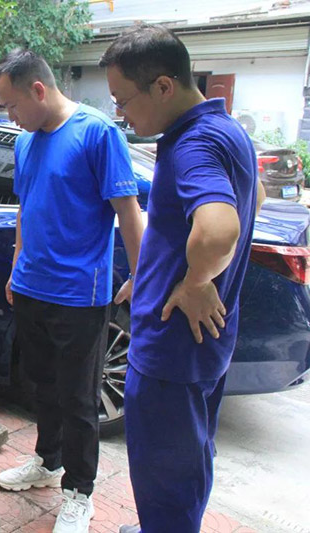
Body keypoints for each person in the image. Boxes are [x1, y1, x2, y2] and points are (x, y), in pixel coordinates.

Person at [99, 25, 266, 533]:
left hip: (170, 352)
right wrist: (155, 273)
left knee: (165, 473)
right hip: (202, 347)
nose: (121, 115)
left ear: (163, 87)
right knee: (190, 458)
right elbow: (254, 197)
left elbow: (218, 229)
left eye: (123, 100)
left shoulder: (192, 144)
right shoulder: (226, 128)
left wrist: (195, 282)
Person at [0, 49, 144, 533]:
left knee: (79, 399)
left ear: (38, 90)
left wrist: (141, 275)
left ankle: (80, 492)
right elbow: (26, 208)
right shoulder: (26, 142)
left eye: (12, 106)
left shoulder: (97, 133)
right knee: (41, 385)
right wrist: (16, 267)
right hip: (31, 286)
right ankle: (48, 461)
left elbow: (127, 212)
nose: (11, 118)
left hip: (80, 293)